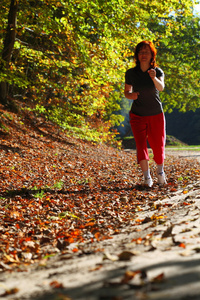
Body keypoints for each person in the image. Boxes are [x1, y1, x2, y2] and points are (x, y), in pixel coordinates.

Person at [124, 40, 166, 187]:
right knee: (141, 145)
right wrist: (132, 95)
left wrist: (153, 77)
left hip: (156, 114)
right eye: (141, 51)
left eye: (146, 51)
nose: (143, 54)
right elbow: (126, 92)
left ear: (152, 54)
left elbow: (161, 88)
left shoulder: (157, 71)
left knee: (157, 145)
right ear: (137, 55)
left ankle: (160, 173)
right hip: (137, 115)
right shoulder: (131, 73)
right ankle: (147, 177)